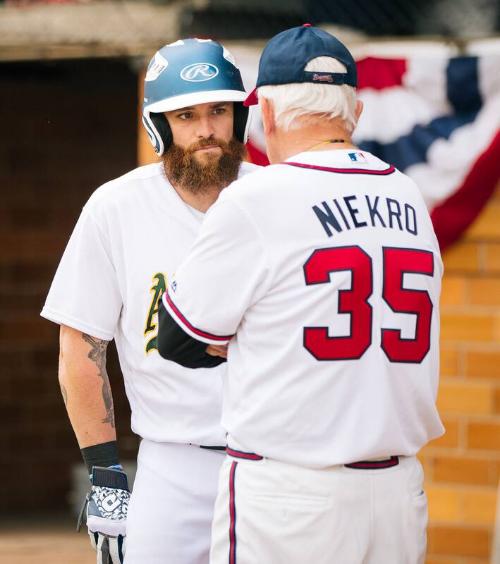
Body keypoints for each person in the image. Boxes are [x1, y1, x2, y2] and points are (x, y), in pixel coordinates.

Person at [158, 25, 445, 564]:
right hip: (396, 494)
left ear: (265, 112)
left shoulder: (257, 198)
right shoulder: (409, 195)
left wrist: (253, 338)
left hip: (289, 496)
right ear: (355, 111)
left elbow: (176, 339)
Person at [41, 38, 258, 564]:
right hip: (172, 462)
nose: (206, 129)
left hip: (269, 460)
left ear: (239, 118)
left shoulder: (271, 196)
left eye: (218, 110)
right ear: (157, 126)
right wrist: (105, 471)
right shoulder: (115, 207)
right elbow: (81, 344)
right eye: (185, 115)